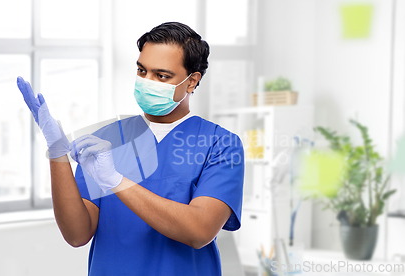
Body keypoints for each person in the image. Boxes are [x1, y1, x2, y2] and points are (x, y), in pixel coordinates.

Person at [17, 22, 244, 276]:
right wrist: (57, 152)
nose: (147, 82)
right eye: (141, 70)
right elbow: (76, 234)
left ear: (192, 82)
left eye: (161, 76)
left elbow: (199, 231)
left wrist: (115, 181)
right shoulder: (106, 140)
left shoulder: (220, 144)